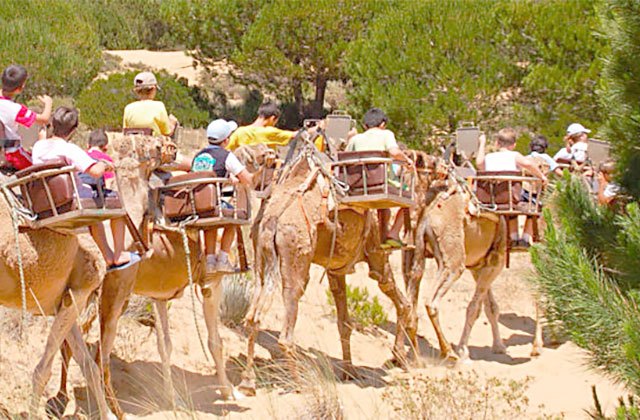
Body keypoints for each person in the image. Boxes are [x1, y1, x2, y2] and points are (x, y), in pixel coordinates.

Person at [32, 107, 138, 271]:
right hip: (70, 201)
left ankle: (108, 256)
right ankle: (118, 254)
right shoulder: (69, 148)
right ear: (74, 130)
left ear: (52, 124)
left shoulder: (38, 146)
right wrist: (104, 164)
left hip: (47, 201)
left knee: (94, 216)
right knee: (117, 203)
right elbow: (95, 172)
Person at [345, 107, 413, 250]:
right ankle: (393, 233)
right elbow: (394, 151)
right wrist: (407, 161)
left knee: (383, 207)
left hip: (358, 186)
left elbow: (345, 157)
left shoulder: (355, 139)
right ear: (383, 124)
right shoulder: (386, 134)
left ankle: (378, 236)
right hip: (382, 184)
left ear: (364, 125)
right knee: (411, 200)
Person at [192, 119, 253, 274]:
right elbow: (248, 179)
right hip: (214, 204)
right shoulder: (227, 156)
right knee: (233, 218)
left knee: (209, 223)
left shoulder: (198, 156)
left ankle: (210, 260)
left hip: (196, 205)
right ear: (226, 140)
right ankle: (223, 259)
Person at [476, 127, 548, 248]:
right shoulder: (515, 155)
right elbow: (528, 164)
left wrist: (482, 143)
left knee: (511, 203)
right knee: (534, 203)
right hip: (510, 197)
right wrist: (541, 176)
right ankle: (525, 237)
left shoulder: (489, 157)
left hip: (491, 198)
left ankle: (512, 237)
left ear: (497, 143)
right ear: (514, 145)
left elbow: (479, 164)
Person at [0, 64, 53, 170]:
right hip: (12, 152)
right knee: (39, 168)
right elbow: (44, 119)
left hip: (3, 148)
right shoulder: (15, 109)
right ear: (19, 88)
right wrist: (49, 103)